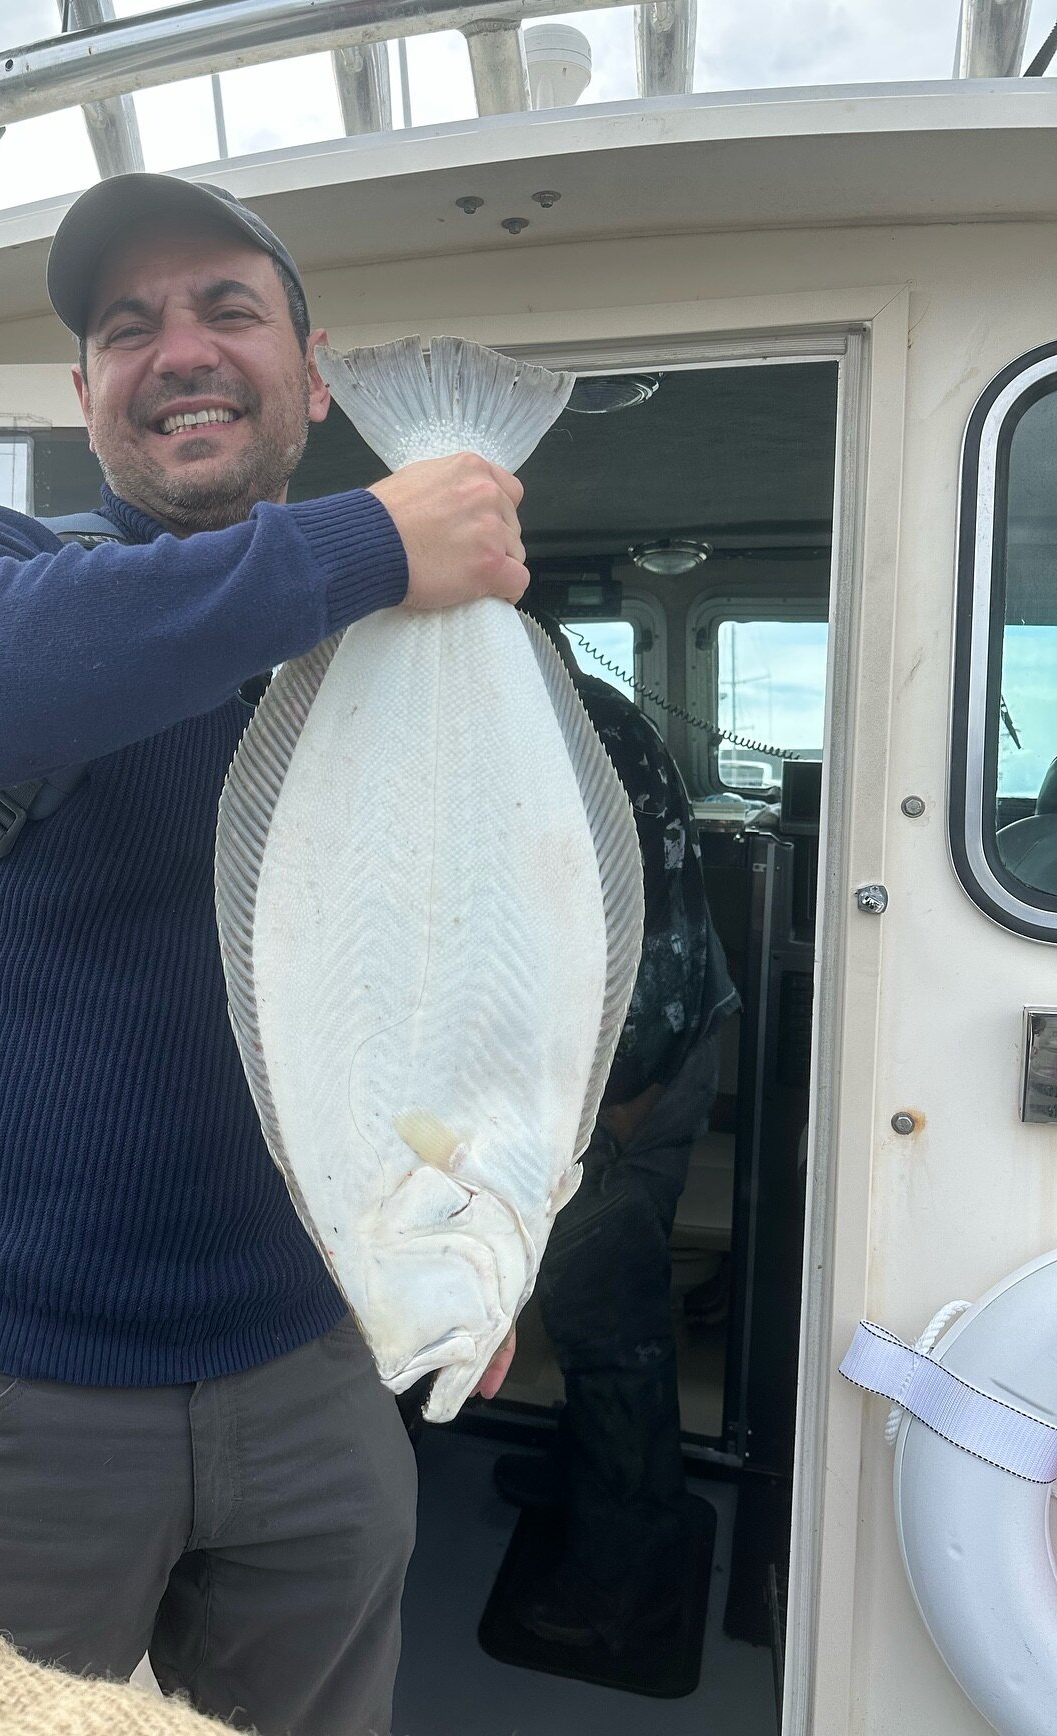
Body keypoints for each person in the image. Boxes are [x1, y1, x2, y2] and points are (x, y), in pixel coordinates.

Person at [0, 171, 526, 1736]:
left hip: (318, 1367)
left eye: (230, 310)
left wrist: (488, 1253)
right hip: (20, 1396)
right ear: (82, 392)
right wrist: (374, 535)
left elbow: (476, 960)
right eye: (127, 326)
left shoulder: (393, 643)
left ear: (314, 367)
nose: (180, 350)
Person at [494, 628, 739, 1661]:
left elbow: (640, 930)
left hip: (631, 1062)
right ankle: (581, 1469)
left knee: (609, 1321)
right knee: (592, 1304)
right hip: (632, 1047)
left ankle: (621, 1586)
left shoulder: (570, 734)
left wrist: (617, 1097)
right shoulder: (571, 715)